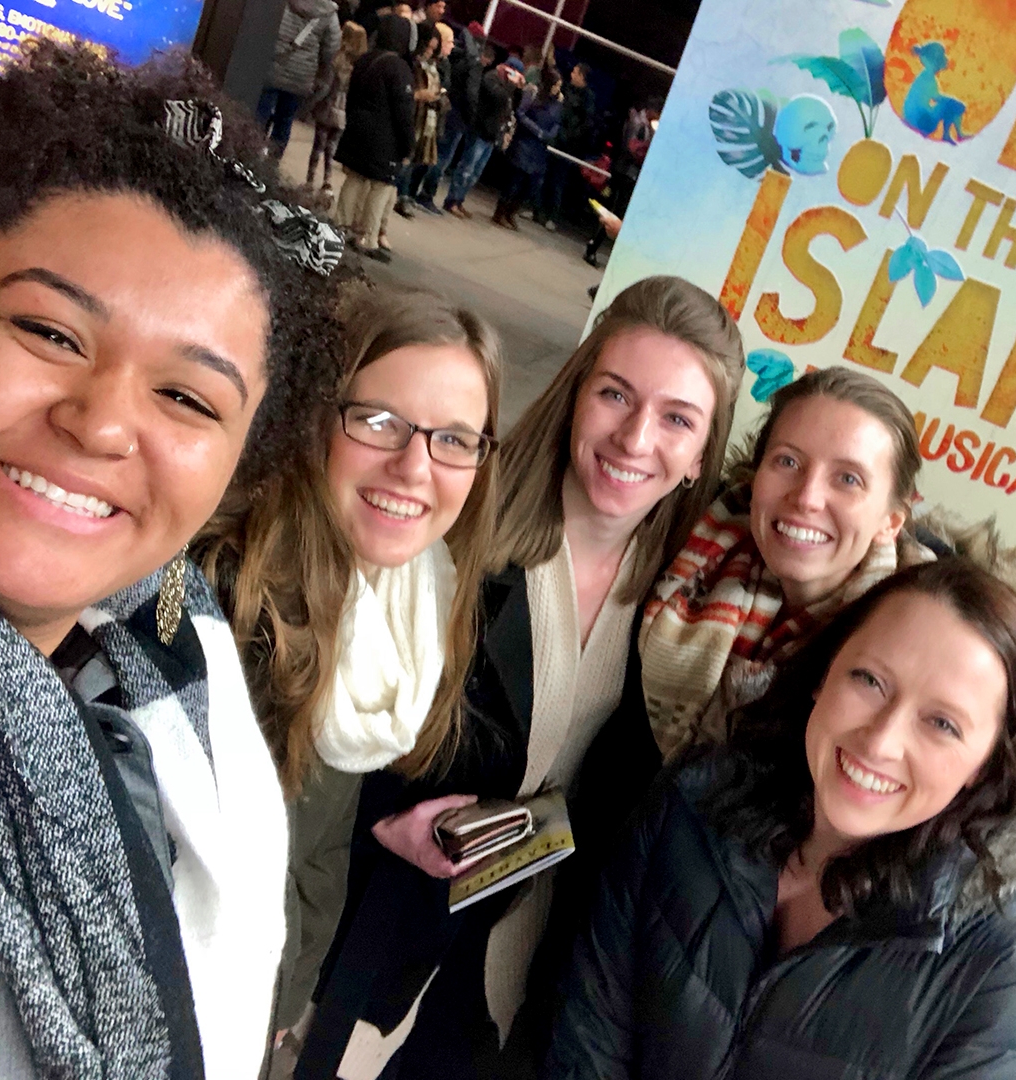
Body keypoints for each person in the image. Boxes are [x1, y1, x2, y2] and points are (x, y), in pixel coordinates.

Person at [0, 40, 345, 1079]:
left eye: (188, 397)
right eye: (49, 330)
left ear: (236, 470)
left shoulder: (166, 660)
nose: (101, 424)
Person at [295, 276, 747, 1080]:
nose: (636, 438)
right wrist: (373, 821)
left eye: (678, 418)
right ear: (577, 394)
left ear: (701, 455)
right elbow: (328, 700)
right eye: (615, 395)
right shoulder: (459, 531)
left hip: (528, 977)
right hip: (386, 923)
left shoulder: (691, 606)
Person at [546, 558, 1016, 1079]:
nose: (882, 740)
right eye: (869, 681)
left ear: (985, 766)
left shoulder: (1010, 971)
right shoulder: (693, 802)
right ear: (823, 674)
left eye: (942, 723)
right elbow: (590, 1038)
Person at [195, 284, 502, 1072]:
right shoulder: (231, 600)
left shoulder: (410, 595)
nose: (414, 465)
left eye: (454, 439)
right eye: (378, 421)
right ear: (316, 416)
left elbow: (304, 844)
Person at [641, 367, 934, 760]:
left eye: (848, 479)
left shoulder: (923, 645)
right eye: (788, 462)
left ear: (890, 523)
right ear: (755, 475)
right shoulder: (682, 546)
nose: (807, 498)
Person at [333, 12, 415, 259]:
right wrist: (408, 146)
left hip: (357, 130)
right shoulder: (400, 69)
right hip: (384, 140)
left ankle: (340, 227)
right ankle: (367, 238)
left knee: (355, 178)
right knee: (381, 186)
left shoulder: (365, 59)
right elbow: (403, 114)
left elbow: (351, 96)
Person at [444, 55, 525, 219]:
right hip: (480, 130)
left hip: (492, 134)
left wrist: (519, 90)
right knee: (467, 167)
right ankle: (451, 200)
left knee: (476, 172)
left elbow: (512, 106)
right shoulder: (491, 77)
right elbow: (498, 97)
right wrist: (511, 85)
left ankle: (460, 200)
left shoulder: (509, 87)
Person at [258, 0, 343, 155]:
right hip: (301, 76)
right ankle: (272, 161)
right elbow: (331, 49)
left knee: (260, 114)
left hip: (272, 66)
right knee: (285, 119)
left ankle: (249, 153)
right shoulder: (329, 13)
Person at [413, 21, 478, 213]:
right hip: (445, 115)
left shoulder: (450, 63)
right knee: (436, 159)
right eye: (449, 42)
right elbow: (467, 93)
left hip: (443, 114)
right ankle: (421, 193)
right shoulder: (461, 64)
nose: (453, 45)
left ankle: (413, 192)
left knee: (432, 156)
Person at [583, 101, 656, 266]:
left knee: (613, 210)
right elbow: (633, 149)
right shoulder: (642, 126)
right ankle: (593, 246)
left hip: (621, 171)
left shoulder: (635, 119)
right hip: (627, 173)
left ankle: (593, 245)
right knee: (616, 213)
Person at [492, 67, 562, 230]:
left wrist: (549, 134)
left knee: (531, 185)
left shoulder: (557, 103)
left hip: (539, 149)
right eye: (556, 85)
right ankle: (500, 212)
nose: (558, 89)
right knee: (514, 182)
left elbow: (557, 122)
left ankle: (511, 212)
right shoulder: (533, 93)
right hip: (524, 143)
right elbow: (521, 113)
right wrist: (536, 130)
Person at [305, 20, 369, 196]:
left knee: (318, 144)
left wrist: (312, 103)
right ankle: (327, 179)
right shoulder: (362, 66)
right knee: (332, 146)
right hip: (344, 110)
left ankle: (310, 179)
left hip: (329, 105)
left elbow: (326, 86)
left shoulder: (337, 59)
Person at [393, 23, 446, 219]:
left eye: (434, 48)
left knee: (414, 158)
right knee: (405, 157)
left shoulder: (433, 66)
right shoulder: (410, 64)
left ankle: (403, 194)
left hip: (425, 117)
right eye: (428, 47)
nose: (430, 52)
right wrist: (418, 95)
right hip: (410, 113)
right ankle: (399, 194)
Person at [537, 62, 596, 231]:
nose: (571, 74)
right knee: (543, 175)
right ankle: (536, 210)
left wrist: (570, 135)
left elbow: (587, 123)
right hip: (555, 137)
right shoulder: (566, 89)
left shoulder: (588, 97)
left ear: (582, 76)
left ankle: (552, 216)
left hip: (569, 145)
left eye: (575, 72)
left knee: (558, 181)